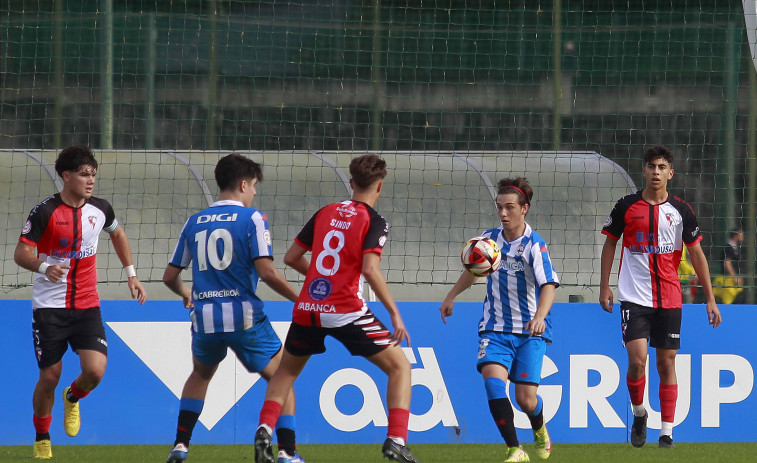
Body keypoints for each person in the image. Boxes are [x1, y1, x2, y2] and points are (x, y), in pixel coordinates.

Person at [253, 154, 421, 463]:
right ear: (380, 186)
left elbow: (290, 258)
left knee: (285, 374)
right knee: (400, 367)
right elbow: (370, 270)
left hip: (308, 307)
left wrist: (323, 280)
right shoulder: (374, 220)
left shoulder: (326, 212)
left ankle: (265, 429)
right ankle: (396, 441)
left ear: (351, 182)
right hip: (345, 309)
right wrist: (394, 312)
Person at [162, 154, 304, 463]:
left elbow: (170, 276)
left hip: (205, 321)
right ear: (243, 184)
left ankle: (180, 445)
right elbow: (266, 272)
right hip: (245, 319)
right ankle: (287, 452)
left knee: (200, 375)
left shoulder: (194, 221)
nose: (254, 191)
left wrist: (188, 293)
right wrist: (299, 299)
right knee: (283, 378)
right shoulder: (253, 218)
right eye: (253, 185)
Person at [13, 146, 147, 459]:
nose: (90, 181)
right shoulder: (45, 211)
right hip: (50, 307)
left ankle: (72, 398)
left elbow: (118, 234)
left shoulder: (100, 209)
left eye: (93, 175)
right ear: (66, 176)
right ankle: (42, 436)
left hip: (87, 304)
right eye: (84, 174)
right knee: (49, 375)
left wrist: (132, 275)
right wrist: (46, 268)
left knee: (96, 371)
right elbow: (21, 253)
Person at [599, 145, 722, 449]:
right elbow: (610, 244)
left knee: (666, 365)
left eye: (662, 167)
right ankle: (639, 413)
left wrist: (710, 298)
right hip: (634, 297)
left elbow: (696, 254)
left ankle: (666, 432)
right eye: (651, 166)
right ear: (644, 170)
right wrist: (605, 286)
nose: (656, 172)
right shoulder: (626, 206)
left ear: (671, 173)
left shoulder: (681, 211)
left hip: (669, 297)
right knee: (637, 360)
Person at [439, 177, 559, 463]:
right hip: (494, 328)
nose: (503, 214)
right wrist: (451, 295)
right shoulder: (489, 239)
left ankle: (539, 428)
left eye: (509, 208)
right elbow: (475, 269)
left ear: (524, 209)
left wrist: (540, 317)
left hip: (530, 331)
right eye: (499, 208)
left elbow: (549, 286)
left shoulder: (534, 245)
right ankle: (514, 449)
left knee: (526, 400)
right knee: (493, 383)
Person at [713, 227, 745, 304]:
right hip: (727, 279)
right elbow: (727, 263)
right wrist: (735, 277)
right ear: (735, 236)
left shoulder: (735, 247)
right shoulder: (728, 247)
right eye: (741, 235)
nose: (743, 237)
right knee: (727, 301)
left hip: (732, 279)